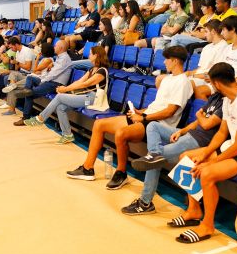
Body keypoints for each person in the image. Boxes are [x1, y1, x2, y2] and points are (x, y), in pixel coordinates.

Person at [167, 62, 237, 244]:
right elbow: (222, 133)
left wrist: (211, 162)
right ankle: (194, 211)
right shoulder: (228, 100)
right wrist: (205, 153)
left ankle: (208, 225)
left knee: (206, 173)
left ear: (217, 83)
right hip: (233, 148)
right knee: (187, 158)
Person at [66, 46, 193, 188]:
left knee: (121, 134)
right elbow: (158, 105)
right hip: (147, 116)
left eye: (167, 59)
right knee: (99, 125)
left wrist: (143, 117)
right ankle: (87, 168)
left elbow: (169, 111)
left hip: (158, 124)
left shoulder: (183, 82)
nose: (164, 62)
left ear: (175, 61)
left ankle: (121, 173)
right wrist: (139, 112)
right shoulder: (168, 79)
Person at [122, 89, 224, 216]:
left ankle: (145, 202)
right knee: (152, 126)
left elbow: (206, 124)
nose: (210, 83)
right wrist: (181, 131)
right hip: (189, 134)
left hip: (199, 142)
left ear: (218, 82)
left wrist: (199, 115)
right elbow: (198, 121)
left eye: (212, 81)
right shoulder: (215, 96)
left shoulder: (227, 103)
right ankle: (154, 154)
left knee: (153, 160)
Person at [24, 46, 110, 143]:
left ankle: (40, 118)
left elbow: (85, 84)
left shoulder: (102, 71)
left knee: (60, 97)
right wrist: (65, 89)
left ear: (96, 55)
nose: (89, 55)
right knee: (61, 107)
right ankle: (67, 135)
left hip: (93, 99)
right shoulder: (92, 69)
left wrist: (65, 89)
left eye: (90, 54)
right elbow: (79, 82)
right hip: (86, 98)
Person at [194, 15, 237, 99]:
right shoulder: (228, 48)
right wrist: (211, 77)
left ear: (232, 29)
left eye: (223, 30)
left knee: (200, 91)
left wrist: (227, 81)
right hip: (222, 81)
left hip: (235, 83)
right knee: (197, 89)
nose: (221, 33)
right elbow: (220, 69)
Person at [14, 40, 72, 125]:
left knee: (29, 94)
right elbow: (51, 72)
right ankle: (26, 90)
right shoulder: (60, 57)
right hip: (50, 81)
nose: (54, 47)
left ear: (61, 48)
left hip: (55, 84)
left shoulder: (64, 59)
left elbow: (53, 74)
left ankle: (25, 118)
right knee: (30, 78)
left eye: (56, 46)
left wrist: (42, 81)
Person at [185, 19, 228, 94]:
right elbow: (200, 68)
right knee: (172, 79)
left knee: (183, 84)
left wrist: (194, 76)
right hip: (198, 77)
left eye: (206, 32)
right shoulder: (207, 47)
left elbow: (215, 73)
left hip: (208, 80)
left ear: (213, 32)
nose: (204, 35)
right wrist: (189, 73)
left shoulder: (223, 47)